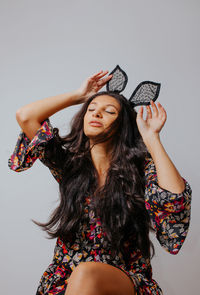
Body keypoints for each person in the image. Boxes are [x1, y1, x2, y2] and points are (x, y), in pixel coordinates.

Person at [8, 70, 192, 295]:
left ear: (123, 124)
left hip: (124, 278)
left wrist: (152, 138)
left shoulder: (140, 171)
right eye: (91, 110)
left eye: (109, 111)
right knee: (82, 275)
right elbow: (25, 116)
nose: (96, 114)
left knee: (86, 274)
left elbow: (174, 201)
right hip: (65, 279)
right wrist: (79, 95)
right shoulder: (69, 167)